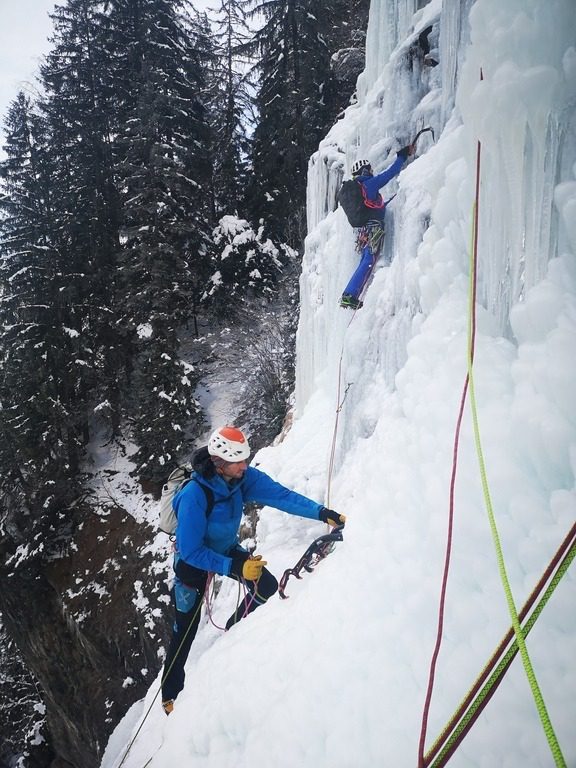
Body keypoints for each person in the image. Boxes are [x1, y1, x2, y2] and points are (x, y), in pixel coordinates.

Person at [161, 425, 346, 714]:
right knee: (185, 629)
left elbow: (281, 496)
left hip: (224, 550)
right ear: (220, 464)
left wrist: (322, 513)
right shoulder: (195, 495)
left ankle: (235, 630)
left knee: (266, 586)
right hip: (191, 566)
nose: (245, 466)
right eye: (239, 462)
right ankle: (170, 695)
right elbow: (191, 550)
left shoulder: (240, 480)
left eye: (245, 460)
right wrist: (234, 566)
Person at [339, 144, 414, 310]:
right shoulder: (368, 184)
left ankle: (350, 293)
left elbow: (374, 207)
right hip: (373, 229)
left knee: (364, 260)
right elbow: (388, 174)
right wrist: (402, 157)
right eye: (369, 170)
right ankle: (349, 295)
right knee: (368, 260)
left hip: (364, 231)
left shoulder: (358, 189)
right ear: (365, 171)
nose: (371, 172)